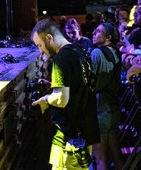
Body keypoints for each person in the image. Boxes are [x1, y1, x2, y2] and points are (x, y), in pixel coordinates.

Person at [31, 19, 100, 170]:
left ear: (49, 38)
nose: (40, 51)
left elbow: (61, 100)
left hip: (71, 135)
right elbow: (79, 86)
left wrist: (45, 100)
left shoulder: (61, 59)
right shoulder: (77, 51)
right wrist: (53, 86)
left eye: (40, 45)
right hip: (82, 131)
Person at [91, 22, 123, 170]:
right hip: (113, 108)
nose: (93, 33)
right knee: (117, 156)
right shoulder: (116, 52)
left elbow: (91, 83)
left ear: (108, 36)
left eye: (98, 31)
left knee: (100, 159)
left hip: (100, 110)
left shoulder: (97, 53)